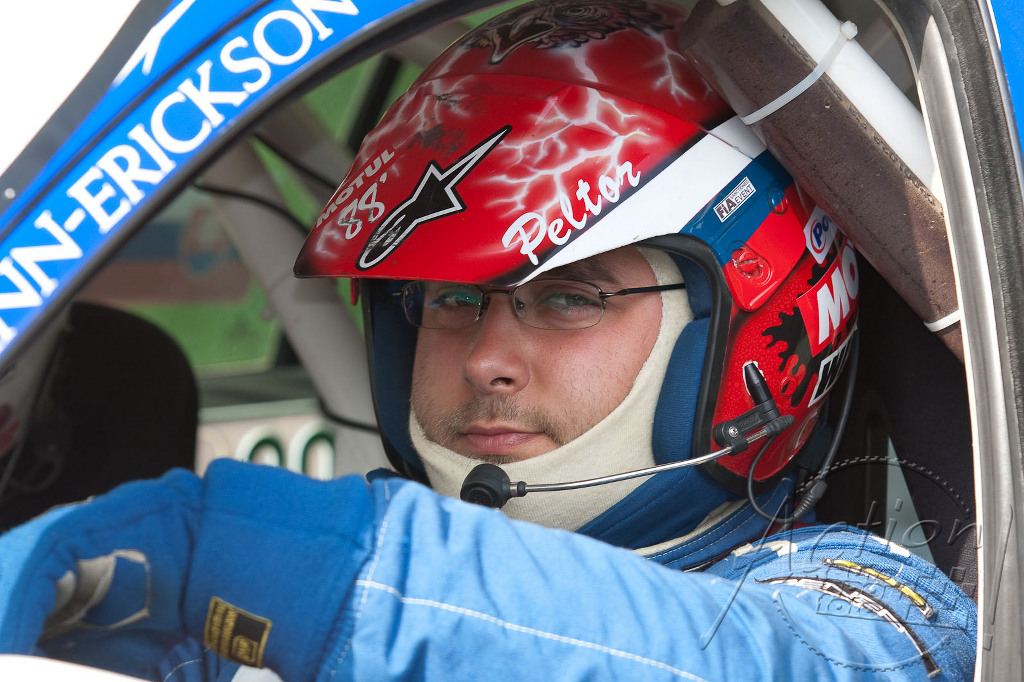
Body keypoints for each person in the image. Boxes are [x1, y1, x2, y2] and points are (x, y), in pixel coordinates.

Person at [0, 0, 976, 680]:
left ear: (744, 334)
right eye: (448, 303)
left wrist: (284, 558)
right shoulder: (261, 616)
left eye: (570, 299)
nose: (483, 360)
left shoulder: (870, 612)